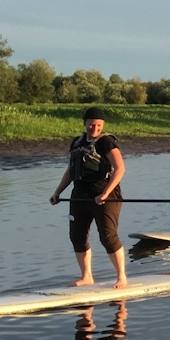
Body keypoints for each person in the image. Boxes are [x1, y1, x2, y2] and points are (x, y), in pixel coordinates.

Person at [50, 106, 127, 288]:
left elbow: (120, 168)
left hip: (106, 196)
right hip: (80, 196)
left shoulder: (106, 142)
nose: (95, 129)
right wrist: (57, 192)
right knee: (77, 236)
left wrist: (105, 193)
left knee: (107, 237)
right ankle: (86, 277)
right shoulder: (76, 143)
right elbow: (70, 171)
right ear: (85, 124)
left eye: (99, 125)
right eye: (92, 125)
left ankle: (121, 277)